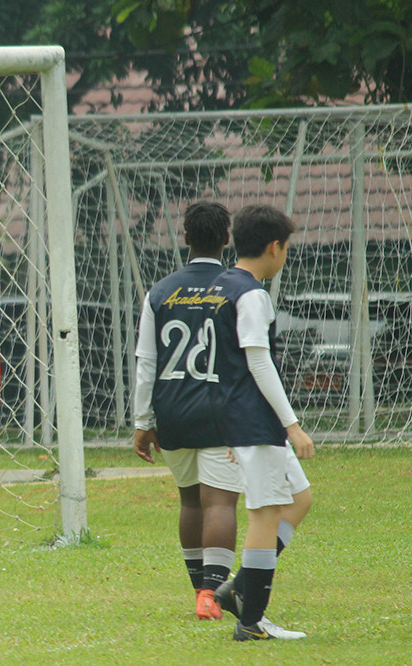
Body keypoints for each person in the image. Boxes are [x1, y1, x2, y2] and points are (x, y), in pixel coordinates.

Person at [205, 205, 314, 641]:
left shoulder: (220, 286)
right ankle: (251, 623)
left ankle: (237, 590)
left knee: (300, 499)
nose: (285, 255)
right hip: (255, 419)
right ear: (274, 247)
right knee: (264, 516)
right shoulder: (252, 294)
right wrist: (292, 425)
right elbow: (258, 363)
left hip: (241, 418)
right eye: (286, 248)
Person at [133, 201, 243, 621]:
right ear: (226, 238)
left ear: (185, 236)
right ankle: (211, 595)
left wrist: (143, 423)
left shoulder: (160, 291)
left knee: (191, 502)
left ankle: (200, 590)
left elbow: (147, 361)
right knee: (220, 504)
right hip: (222, 411)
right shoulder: (240, 288)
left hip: (173, 411)